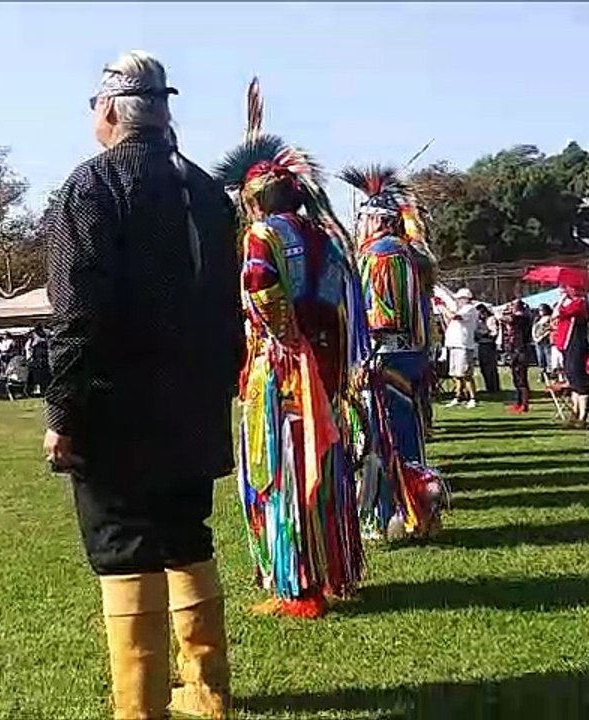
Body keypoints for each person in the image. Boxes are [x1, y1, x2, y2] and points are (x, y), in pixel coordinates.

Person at [42, 51, 242, 720]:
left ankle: (141, 708)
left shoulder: (95, 185)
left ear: (106, 111)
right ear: (164, 110)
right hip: (195, 403)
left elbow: (77, 312)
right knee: (187, 535)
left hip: (119, 407)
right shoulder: (208, 191)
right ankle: (207, 693)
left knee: (125, 545)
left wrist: (63, 412)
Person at [216, 127, 365, 620]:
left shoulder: (263, 235)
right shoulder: (325, 237)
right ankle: (328, 571)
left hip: (283, 371)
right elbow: (343, 301)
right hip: (322, 368)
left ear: (255, 201)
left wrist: (282, 337)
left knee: (281, 470)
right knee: (318, 467)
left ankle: (299, 589)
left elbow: (260, 283)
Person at [337, 165, 446, 542]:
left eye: (361, 219)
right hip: (400, 358)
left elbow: (385, 315)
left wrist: (350, 325)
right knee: (399, 437)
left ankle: (397, 514)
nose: (358, 227)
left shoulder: (383, 254)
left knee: (386, 439)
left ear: (376, 221)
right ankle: (412, 512)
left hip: (386, 360)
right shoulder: (401, 252)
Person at [554, 284, 589, 427]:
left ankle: (583, 416)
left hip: (576, 344)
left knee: (579, 379)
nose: (563, 290)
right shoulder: (570, 302)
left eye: (566, 287)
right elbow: (556, 315)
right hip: (566, 345)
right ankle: (575, 413)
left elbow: (562, 312)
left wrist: (562, 300)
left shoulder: (580, 302)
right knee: (572, 379)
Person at [442, 288, 481, 407]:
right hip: (454, 345)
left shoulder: (470, 309)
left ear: (466, 299)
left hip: (463, 345)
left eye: (460, 298)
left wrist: (442, 307)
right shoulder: (461, 309)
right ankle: (458, 396)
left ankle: (472, 398)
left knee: (466, 374)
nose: (458, 300)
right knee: (455, 374)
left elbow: (455, 317)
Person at [504, 300, 534, 412]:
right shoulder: (519, 319)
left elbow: (506, 318)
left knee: (521, 379)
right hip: (515, 350)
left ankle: (524, 404)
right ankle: (519, 402)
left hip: (521, 350)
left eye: (513, 306)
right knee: (516, 378)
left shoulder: (522, 318)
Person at [475, 303, 501, 394]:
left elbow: (494, 333)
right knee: (483, 367)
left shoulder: (491, 319)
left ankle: (494, 387)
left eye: (482, 313)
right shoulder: (479, 321)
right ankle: (488, 387)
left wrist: (484, 334)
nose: (480, 315)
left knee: (490, 367)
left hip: (489, 345)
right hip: (481, 345)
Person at [531, 304, 555, 380]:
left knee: (548, 358)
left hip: (546, 341)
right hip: (537, 341)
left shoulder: (550, 318)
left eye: (542, 310)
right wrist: (535, 337)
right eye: (540, 310)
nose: (541, 311)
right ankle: (542, 374)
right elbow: (534, 328)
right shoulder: (537, 319)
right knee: (540, 358)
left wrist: (542, 336)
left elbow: (550, 329)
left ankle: (550, 374)